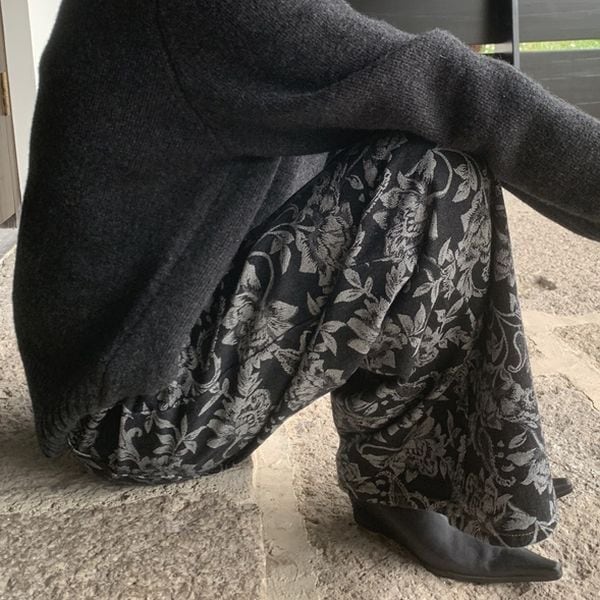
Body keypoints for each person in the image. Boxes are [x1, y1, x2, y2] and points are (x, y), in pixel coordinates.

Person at [13, 0, 598, 587]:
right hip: (134, 415)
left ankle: (453, 455)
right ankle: (410, 479)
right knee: (432, 177)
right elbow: (451, 86)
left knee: (407, 139)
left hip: (144, 349)